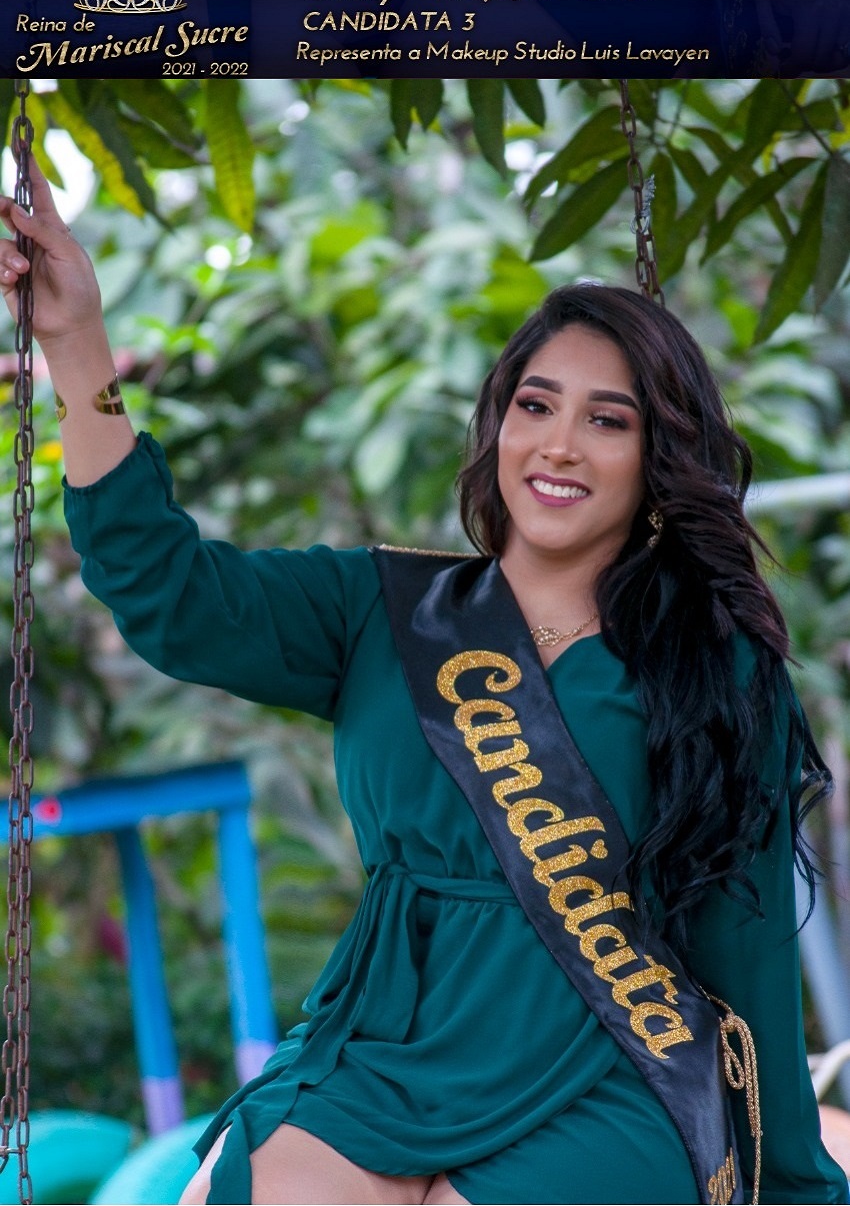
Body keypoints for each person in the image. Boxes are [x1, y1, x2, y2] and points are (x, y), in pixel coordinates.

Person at [1, 164, 848, 1206]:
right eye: (536, 404)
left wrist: (793, 1182)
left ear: (654, 458)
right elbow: (166, 591)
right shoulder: (381, 609)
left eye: (608, 420)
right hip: (386, 1046)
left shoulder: (713, 667)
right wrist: (76, 340)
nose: (559, 444)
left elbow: (746, 941)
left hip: (609, 1060)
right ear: (499, 423)